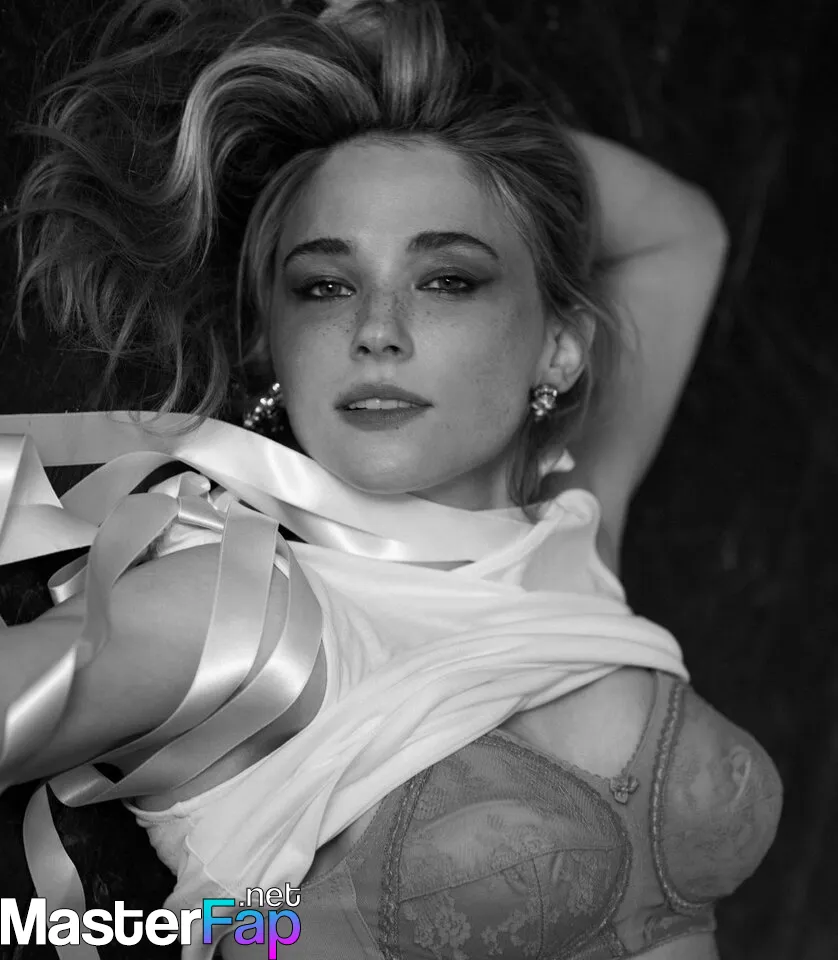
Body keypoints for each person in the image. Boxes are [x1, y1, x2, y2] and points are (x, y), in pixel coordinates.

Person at [0, 0, 782, 958]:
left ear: (561, 348)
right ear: (272, 347)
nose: (377, 329)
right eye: (324, 286)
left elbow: (682, 236)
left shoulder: (574, 544)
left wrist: (437, 135)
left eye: (448, 278)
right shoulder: (235, 615)